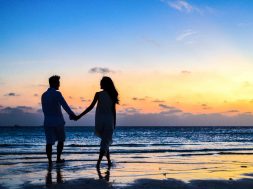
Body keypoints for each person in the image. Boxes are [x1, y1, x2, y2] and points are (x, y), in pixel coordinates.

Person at [75, 76, 119, 168]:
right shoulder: (113, 94)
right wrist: (114, 123)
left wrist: (79, 116)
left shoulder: (98, 94)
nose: (100, 84)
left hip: (99, 121)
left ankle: (109, 162)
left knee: (105, 142)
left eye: (101, 82)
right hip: (109, 121)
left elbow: (90, 107)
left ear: (105, 84)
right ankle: (98, 163)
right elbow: (113, 110)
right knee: (105, 142)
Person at [41, 75, 76, 165]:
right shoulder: (57, 94)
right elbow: (64, 105)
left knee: (49, 142)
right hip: (58, 121)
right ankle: (58, 158)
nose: (59, 84)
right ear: (54, 83)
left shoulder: (44, 95)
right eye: (58, 82)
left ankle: (49, 161)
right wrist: (71, 114)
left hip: (48, 121)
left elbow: (44, 109)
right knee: (61, 140)